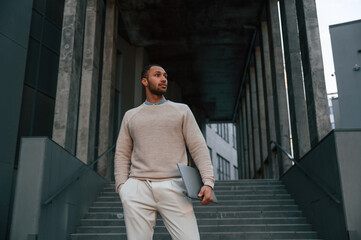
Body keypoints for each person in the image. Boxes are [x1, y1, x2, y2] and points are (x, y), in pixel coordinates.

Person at [114, 64, 215, 240]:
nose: (163, 79)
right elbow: (122, 153)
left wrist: (208, 182)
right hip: (138, 187)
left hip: (174, 185)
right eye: (157, 75)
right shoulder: (131, 115)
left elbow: (198, 147)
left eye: (165, 76)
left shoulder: (181, 111)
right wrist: (123, 187)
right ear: (144, 81)